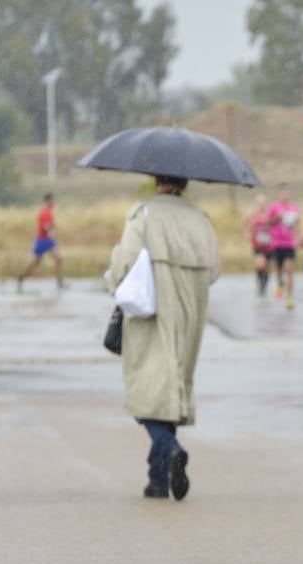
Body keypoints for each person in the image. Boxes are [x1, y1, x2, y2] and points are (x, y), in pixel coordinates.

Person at [106, 175, 220, 501]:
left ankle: (170, 449)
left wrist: (114, 283)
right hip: (190, 312)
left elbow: (124, 262)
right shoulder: (201, 220)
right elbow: (215, 270)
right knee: (171, 387)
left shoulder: (143, 213)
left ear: (156, 180)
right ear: (185, 182)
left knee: (145, 390)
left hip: (152, 312)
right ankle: (157, 479)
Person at [18, 193, 65, 291]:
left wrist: (53, 229)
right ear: (47, 201)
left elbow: (50, 226)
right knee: (36, 262)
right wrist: (52, 230)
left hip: (48, 240)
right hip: (42, 241)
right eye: (51, 200)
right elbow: (46, 227)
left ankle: (60, 283)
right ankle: (22, 277)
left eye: (53, 200)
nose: (53, 202)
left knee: (59, 259)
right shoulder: (44, 213)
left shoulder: (49, 212)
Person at [265, 184, 299, 308]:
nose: (285, 195)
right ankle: (280, 284)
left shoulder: (294, 207)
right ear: (278, 194)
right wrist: (277, 218)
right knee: (279, 270)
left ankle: (289, 298)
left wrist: (296, 232)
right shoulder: (274, 207)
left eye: (287, 193)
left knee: (289, 270)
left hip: (289, 243)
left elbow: (296, 224)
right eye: (282, 193)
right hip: (276, 243)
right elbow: (267, 223)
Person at [244, 193, 272, 297]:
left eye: (263, 203)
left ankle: (264, 284)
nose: (262, 205)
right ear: (256, 204)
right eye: (260, 203)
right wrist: (247, 234)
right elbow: (245, 225)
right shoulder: (253, 215)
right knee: (260, 264)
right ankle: (260, 282)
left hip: (269, 245)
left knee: (267, 266)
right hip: (257, 244)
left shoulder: (270, 215)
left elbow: (275, 226)